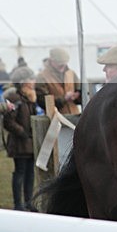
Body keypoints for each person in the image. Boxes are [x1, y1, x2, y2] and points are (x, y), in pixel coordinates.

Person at [1, 67, 38, 211]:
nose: (34, 81)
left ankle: (29, 201)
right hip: (19, 143)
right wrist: (22, 132)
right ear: (24, 82)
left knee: (30, 173)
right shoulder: (15, 98)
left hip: (30, 142)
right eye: (31, 79)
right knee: (20, 172)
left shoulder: (30, 98)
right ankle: (18, 204)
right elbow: (8, 122)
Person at [35, 47, 82, 115]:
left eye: (64, 63)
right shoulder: (42, 76)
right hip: (55, 117)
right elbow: (42, 102)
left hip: (74, 115)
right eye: (59, 63)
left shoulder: (71, 73)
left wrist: (77, 96)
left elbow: (80, 92)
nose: (62, 66)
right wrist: (64, 99)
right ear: (51, 61)